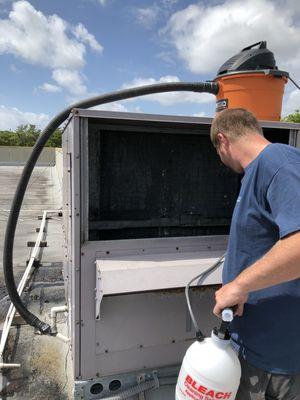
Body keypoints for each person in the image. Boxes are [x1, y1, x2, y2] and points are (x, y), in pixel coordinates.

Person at [210, 108, 300, 400]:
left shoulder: (278, 163)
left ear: (222, 140)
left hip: (277, 359)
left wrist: (238, 285)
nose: (221, 160)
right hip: (254, 344)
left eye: (217, 151)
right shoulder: (256, 173)